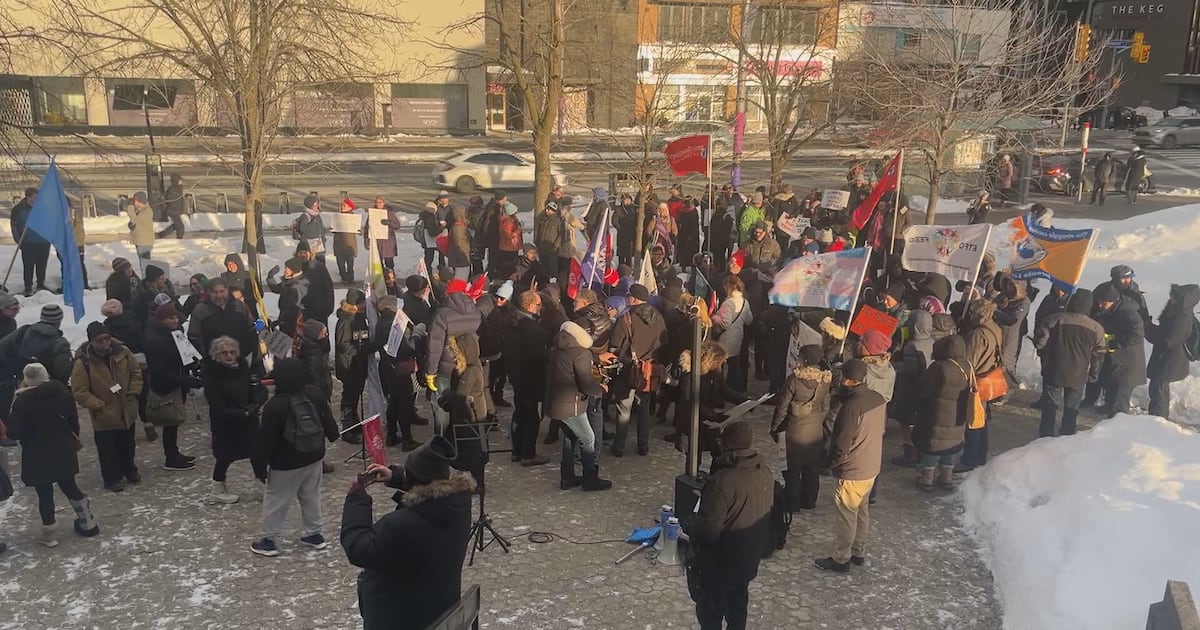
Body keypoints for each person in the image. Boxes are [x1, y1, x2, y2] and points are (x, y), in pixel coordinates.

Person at [340, 437, 475, 630]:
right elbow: (431, 489)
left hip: (400, 618)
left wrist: (356, 500)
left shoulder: (400, 525)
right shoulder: (459, 505)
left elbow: (358, 548)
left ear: (413, 481)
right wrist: (394, 476)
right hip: (439, 609)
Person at [681, 422, 773, 630]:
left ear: (726, 445)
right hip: (747, 559)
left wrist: (689, 524)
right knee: (738, 608)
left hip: (719, 565)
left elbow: (708, 531)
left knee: (711, 614)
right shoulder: (765, 472)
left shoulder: (723, 481)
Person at [250, 357, 339, 557]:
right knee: (311, 496)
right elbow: (328, 421)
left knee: (277, 499)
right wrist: (333, 435)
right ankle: (315, 534)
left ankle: (269, 540)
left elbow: (267, 441)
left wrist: (259, 466)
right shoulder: (315, 394)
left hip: (286, 463)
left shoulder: (275, 406)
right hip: (314, 456)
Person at [9, 363, 100, 547]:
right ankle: (88, 522)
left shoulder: (22, 401)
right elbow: (73, 421)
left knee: (44, 493)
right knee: (69, 485)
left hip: (36, 452)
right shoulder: (62, 392)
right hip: (62, 447)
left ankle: (49, 534)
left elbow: (13, 433)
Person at [815, 358, 886, 573]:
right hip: (871, 464)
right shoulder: (878, 398)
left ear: (847, 380)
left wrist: (829, 464)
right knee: (862, 510)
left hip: (853, 469)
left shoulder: (850, 408)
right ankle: (858, 551)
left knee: (847, 513)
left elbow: (841, 444)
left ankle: (841, 558)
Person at [70, 322, 143, 492]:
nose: (104, 343)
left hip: (126, 409)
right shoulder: (83, 363)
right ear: (91, 341)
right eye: (99, 340)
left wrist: (133, 393)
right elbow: (80, 390)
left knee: (128, 443)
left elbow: (136, 372)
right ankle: (112, 478)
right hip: (103, 414)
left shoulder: (123, 353)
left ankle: (129, 469)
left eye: (107, 338)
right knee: (107, 449)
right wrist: (98, 405)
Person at [546, 320, 611, 491]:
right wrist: (600, 388)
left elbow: (570, 363)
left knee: (570, 438)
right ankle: (590, 479)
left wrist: (594, 358)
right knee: (588, 438)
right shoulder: (581, 353)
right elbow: (586, 384)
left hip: (556, 403)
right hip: (571, 405)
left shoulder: (559, 347)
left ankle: (567, 477)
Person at [1033, 289, 1106, 437]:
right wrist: (1093, 374)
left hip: (1054, 371)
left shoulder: (1053, 320)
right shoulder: (1096, 328)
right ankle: (1067, 433)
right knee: (1072, 406)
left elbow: (1040, 343)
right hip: (1078, 375)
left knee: (1050, 406)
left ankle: (1045, 435)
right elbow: (1099, 354)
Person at [203, 336, 266, 504]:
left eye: (232, 352)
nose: (229, 356)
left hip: (249, 420)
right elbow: (217, 406)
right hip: (226, 424)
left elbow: (258, 389)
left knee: (256, 453)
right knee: (225, 457)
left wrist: (256, 403)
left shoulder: (244, 368)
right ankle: (217, 488)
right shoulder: (212, 375)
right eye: (224, 353)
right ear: (217, 355)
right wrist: (241, 413)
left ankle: (262, 485)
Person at [770, 344, 832, 511]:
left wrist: (775, 428)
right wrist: (817, 420)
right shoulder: (825, 381)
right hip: (815, 431)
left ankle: (792, 503)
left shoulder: (794, 380)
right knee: (812, 469)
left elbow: (782, 407)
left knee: (792, 470)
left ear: (804, 359)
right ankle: (809, 501)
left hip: (794, 431)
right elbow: (826, 407)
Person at [609, 284, 667, 457]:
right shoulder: (658, 317)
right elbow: (664, 340)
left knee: (624, 409)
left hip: (628, 369)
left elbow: (615, 345)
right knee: (644, 408)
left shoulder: (626, 318)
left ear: (633, 298)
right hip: (649, 369)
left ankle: (619, 446)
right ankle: (643, 445)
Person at [143, 302, 199, 471]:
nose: (176, 320)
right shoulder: (155, 340)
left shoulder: (175, 333)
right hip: (167, 384)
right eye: (171, 318)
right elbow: (161, 370)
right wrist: (185, 380)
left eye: (176, 317)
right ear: (161, 320)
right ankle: (171, 457)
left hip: (177, 380)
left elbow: (185, 354)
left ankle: (174, 453)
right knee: (171, 420)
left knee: (173, 423)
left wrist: (193, 364)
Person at [424, 280, 483, 433]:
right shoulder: (476, 311)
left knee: (442, 405)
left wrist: (431, 372)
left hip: (445, 367)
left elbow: (434, 345)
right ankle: (461, 435)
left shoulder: (442, 314)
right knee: (463, 401)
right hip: (468, 365)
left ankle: (442, 439)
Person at [912, 335, 970, 491]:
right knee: (951, 445)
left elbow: (923, 390)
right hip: (958, 417)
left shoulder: (938, 367)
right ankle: (947, 478)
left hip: (935, 415)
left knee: (933, 446)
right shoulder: (967, 366)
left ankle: (927, 480)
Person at [505, 290, 552, 466]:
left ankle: (517, 450)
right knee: (531, 415)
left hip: (517, 375)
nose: (541, 308)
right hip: (530, 377)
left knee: (520, 413)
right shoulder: (530, 327)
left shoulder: (512, 321)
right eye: (539, 305)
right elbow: (539, 354)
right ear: (531, 306)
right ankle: (528, 453)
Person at [1086, 283, 1147, 417]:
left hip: (1127, 365)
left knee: (1120, 401)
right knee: (1111, 390)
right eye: (1100, 302)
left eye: (1104, 303)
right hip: (1116, 363)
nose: (1101, 305)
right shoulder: (1111, 312)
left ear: (1114, 301)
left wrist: (1114, 343)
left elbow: (1137, 334)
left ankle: (1117, 425)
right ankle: (1109, 409)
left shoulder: (1128, 314)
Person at [957, 299, 1002, 472]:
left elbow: (968, 361)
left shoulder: (977, 334)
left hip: (977, 382)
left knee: (973, 421)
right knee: (982, 420)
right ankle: (980, 455)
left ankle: (970, 459)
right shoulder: (995, 327)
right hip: (989, 378)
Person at [1146, 284, 1200, 420]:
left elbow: (1168, 340)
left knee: (1158, 391)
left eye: (1175, 297)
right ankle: (1157, 419)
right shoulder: (1179, 313)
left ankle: (1157, 420)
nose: (1171, 299)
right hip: (1167, 359)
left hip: (1169, 361)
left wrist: (1149, 330)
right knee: (1159, 390)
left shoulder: (1182, 318)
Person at [0, 303, 73, 385]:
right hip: (48, 388)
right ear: (59, 320)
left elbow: (2, 348)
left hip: (21, 384)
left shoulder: (23, 331)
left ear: (42, 317)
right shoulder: (60, 343)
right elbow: (62, 372)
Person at [335, 289, 370, 444]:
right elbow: (343, 344)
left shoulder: (359, 317)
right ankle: (347, 429)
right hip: (349, 365)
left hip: (358, 363)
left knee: (356, 394)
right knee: (349, 397)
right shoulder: (345, 321)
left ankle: (355, 423)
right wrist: (358, 352)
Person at [712, 275, 753, 392]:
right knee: (734, 364)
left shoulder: (728, 303)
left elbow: (725, 323)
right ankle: (736, 388)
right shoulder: (745, 302)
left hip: (726, 338)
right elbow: (749, 320)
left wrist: (715, 317)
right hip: (738, 337)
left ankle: (723, 389)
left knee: (721, 365)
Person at [11, 187, 50, 296]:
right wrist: (19, 241)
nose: (37, 200)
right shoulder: (19, 209)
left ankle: (41, 284)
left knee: (42, 265)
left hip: (43, 242)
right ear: (28, 197)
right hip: (28, 243)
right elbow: (14, 226)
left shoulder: (43, 208)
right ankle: (28, 287)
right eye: (34, 198)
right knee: (28, 266)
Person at [367, 195, 403, 269]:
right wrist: (366, 238)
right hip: (377, 241)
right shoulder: (372, 213)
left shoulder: (389, 213)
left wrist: (389, 222)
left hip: (388, 241)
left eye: (380, 202)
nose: (378, 204)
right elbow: (368, 226)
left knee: (389, 262)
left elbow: (397, 225)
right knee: (378, 262)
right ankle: (380, 278)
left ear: (383, 203)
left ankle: (390, 278)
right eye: (376, 202)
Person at [291, 195, 327, 262]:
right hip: (310, 246)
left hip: (319, 245)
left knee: (321, 265)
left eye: (317, 205)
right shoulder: (305, 216)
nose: (316, 207)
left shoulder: (317, 215)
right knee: (312, 264)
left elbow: (320, 228)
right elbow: (303, 229)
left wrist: (323, 237)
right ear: (309, 206)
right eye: (314, 205)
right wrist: (313, 223)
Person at [332, 198, 360, 284]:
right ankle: (343, 277)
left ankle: (350, 278)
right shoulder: (338, 217)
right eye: (342, 205)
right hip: (339, 244)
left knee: (350, 263)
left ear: (350, 207)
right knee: (340, 263)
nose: (342, 207)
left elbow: (358, 230)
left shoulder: (353, 218)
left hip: (349, 244)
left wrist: (358, 230)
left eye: (344, 205)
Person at [126, 191, 156, 260]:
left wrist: (130, 207)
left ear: (139, 201)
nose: (134, 202)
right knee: (144, 263)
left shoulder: (146, 212)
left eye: (135, 200)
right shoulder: (141, 209)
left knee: (145, 263)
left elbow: (134, 219)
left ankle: (147, 271)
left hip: (144, 242)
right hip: (141, 241)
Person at [159, 173, 186, 238]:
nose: (181, 182)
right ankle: (180, 238)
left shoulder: (178, 189)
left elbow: (180, 200)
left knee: (176, 225)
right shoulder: (173, 189)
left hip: (176, 210)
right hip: (173, 210)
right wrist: (170, 208)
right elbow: (169, 200)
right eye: (180, 180)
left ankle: (161, 235)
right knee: (180, 226)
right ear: (176, 181)